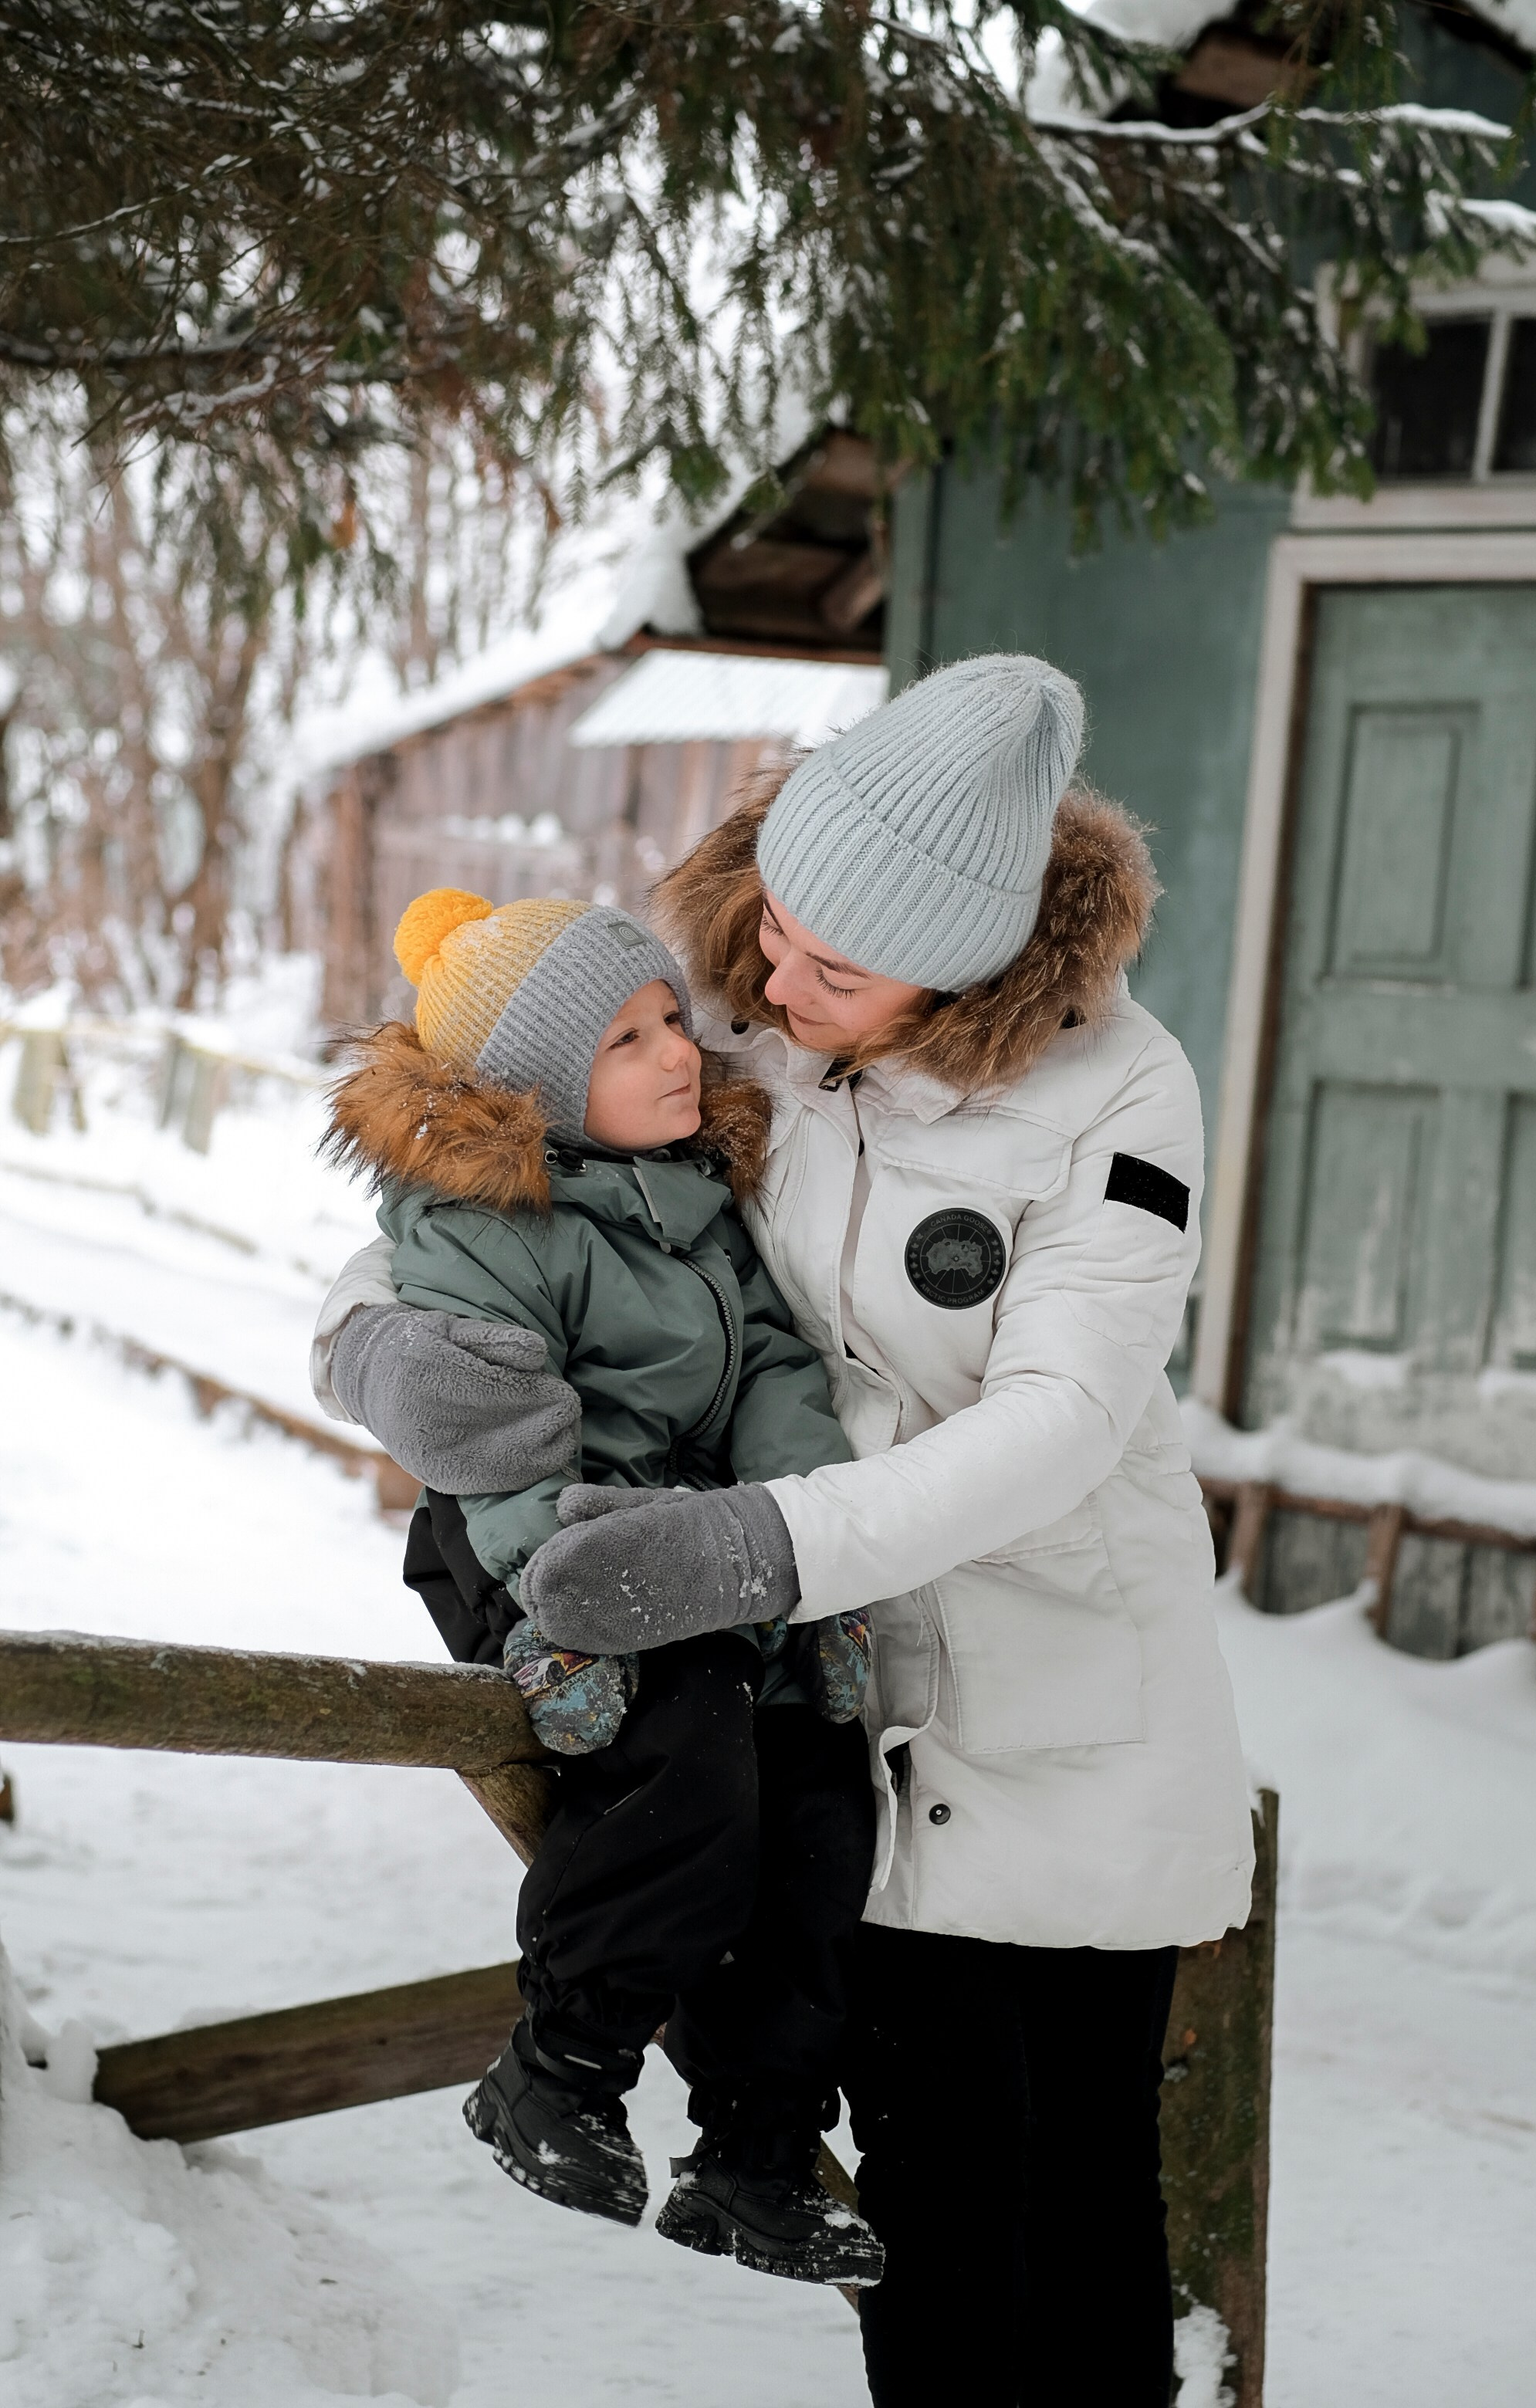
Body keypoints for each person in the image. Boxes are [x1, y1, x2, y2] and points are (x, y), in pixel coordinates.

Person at [316, 654, 1253, 2406]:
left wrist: (750, 1547)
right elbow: (486, 1186)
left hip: (1049, 1698)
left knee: (1079, 2224)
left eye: (836, 967)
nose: (760, 985)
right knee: (935, 2232)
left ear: (970, 964)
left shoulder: (1118, 1094)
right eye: (766, 929)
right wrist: (379, 1339)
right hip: (831, 1698)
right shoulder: (730, 1010)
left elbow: (1053, 1427)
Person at [320, 885, 882, 2286]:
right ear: (539, 1085)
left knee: (817, 1794)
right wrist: (559, 1605)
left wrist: (815, 1548)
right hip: (535, 1550)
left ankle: (757, 2151)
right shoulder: (482, 1223)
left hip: (699, 1550)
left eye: (672, 1021)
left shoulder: (697, 1202)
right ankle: (559, 2067)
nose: (679, 1052)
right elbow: (485, 1428)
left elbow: (772, 1373)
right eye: (628, 1039)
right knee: (686, 1757)